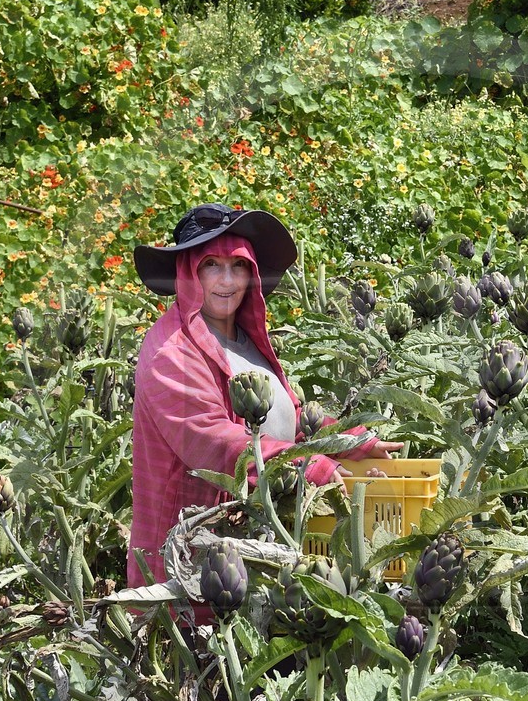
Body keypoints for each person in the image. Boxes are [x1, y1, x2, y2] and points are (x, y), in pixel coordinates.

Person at [127, 203, 399, 588]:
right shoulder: (171, 352)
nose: (228, 280)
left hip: (250, 545)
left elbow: (285, 418)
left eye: (238, 266)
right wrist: (316, 468)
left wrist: (349, 442)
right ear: (188, 272)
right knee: (201, 646)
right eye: (211, 265)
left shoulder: (242, 340)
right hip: (188, 562)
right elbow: (215, 443)